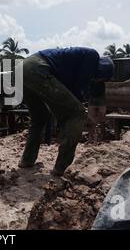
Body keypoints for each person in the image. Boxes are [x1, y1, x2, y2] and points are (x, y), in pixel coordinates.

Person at [18, 47, 114, 176]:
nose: (96, 81)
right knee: (76, 113)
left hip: (23, 69)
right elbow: (74, 100)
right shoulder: (91, 57)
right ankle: (60, 168)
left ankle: (27, 160)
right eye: (100, 78)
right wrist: (85, 117)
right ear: (100, 70)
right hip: (37, 68)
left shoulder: (73, 65)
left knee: (39, 117)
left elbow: (69, 96)